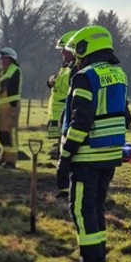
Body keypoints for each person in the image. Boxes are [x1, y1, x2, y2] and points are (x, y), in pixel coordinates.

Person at [60, 25, 128, 262]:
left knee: (80, 209)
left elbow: (81, 120)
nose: (75, 57)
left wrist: (65, 156)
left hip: (86, 156)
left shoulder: (85, 76)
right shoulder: (118, 74)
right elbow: (124, 114)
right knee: (96, 208)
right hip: (110, 155)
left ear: (84, 47)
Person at [49, 31, 77, 197]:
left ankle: (65, 187)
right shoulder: (65, 67)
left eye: (64, 50)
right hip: (59, 114)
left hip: (67, 115)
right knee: (61, 151)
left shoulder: (75, 69)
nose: (61, 53)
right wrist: (50, 81)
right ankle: (64, 185)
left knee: (66, 152)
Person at [0, 46, 23, 169]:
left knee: (9, 134)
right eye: (1, 59)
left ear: (11, 59)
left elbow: (3, 83)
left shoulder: (13, 69)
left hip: (11, 108)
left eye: (5, 59)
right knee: (2, 133)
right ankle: (4, 157)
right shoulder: (4, 71)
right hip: (2, 108)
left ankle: (11, 161)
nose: (2, 61)